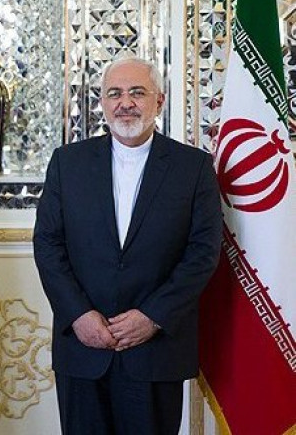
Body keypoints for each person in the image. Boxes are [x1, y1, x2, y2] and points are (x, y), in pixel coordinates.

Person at [33, 57, 222, 434]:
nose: (125, 103)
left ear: (159, 101)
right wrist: (79, 315)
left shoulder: (193, 168)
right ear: (102, 102)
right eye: (114, 93)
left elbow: (203, 252)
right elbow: (48, 244)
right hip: (83, 347)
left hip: (155, 351)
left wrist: (152, 316)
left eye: (137, 92)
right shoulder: (67, 163)